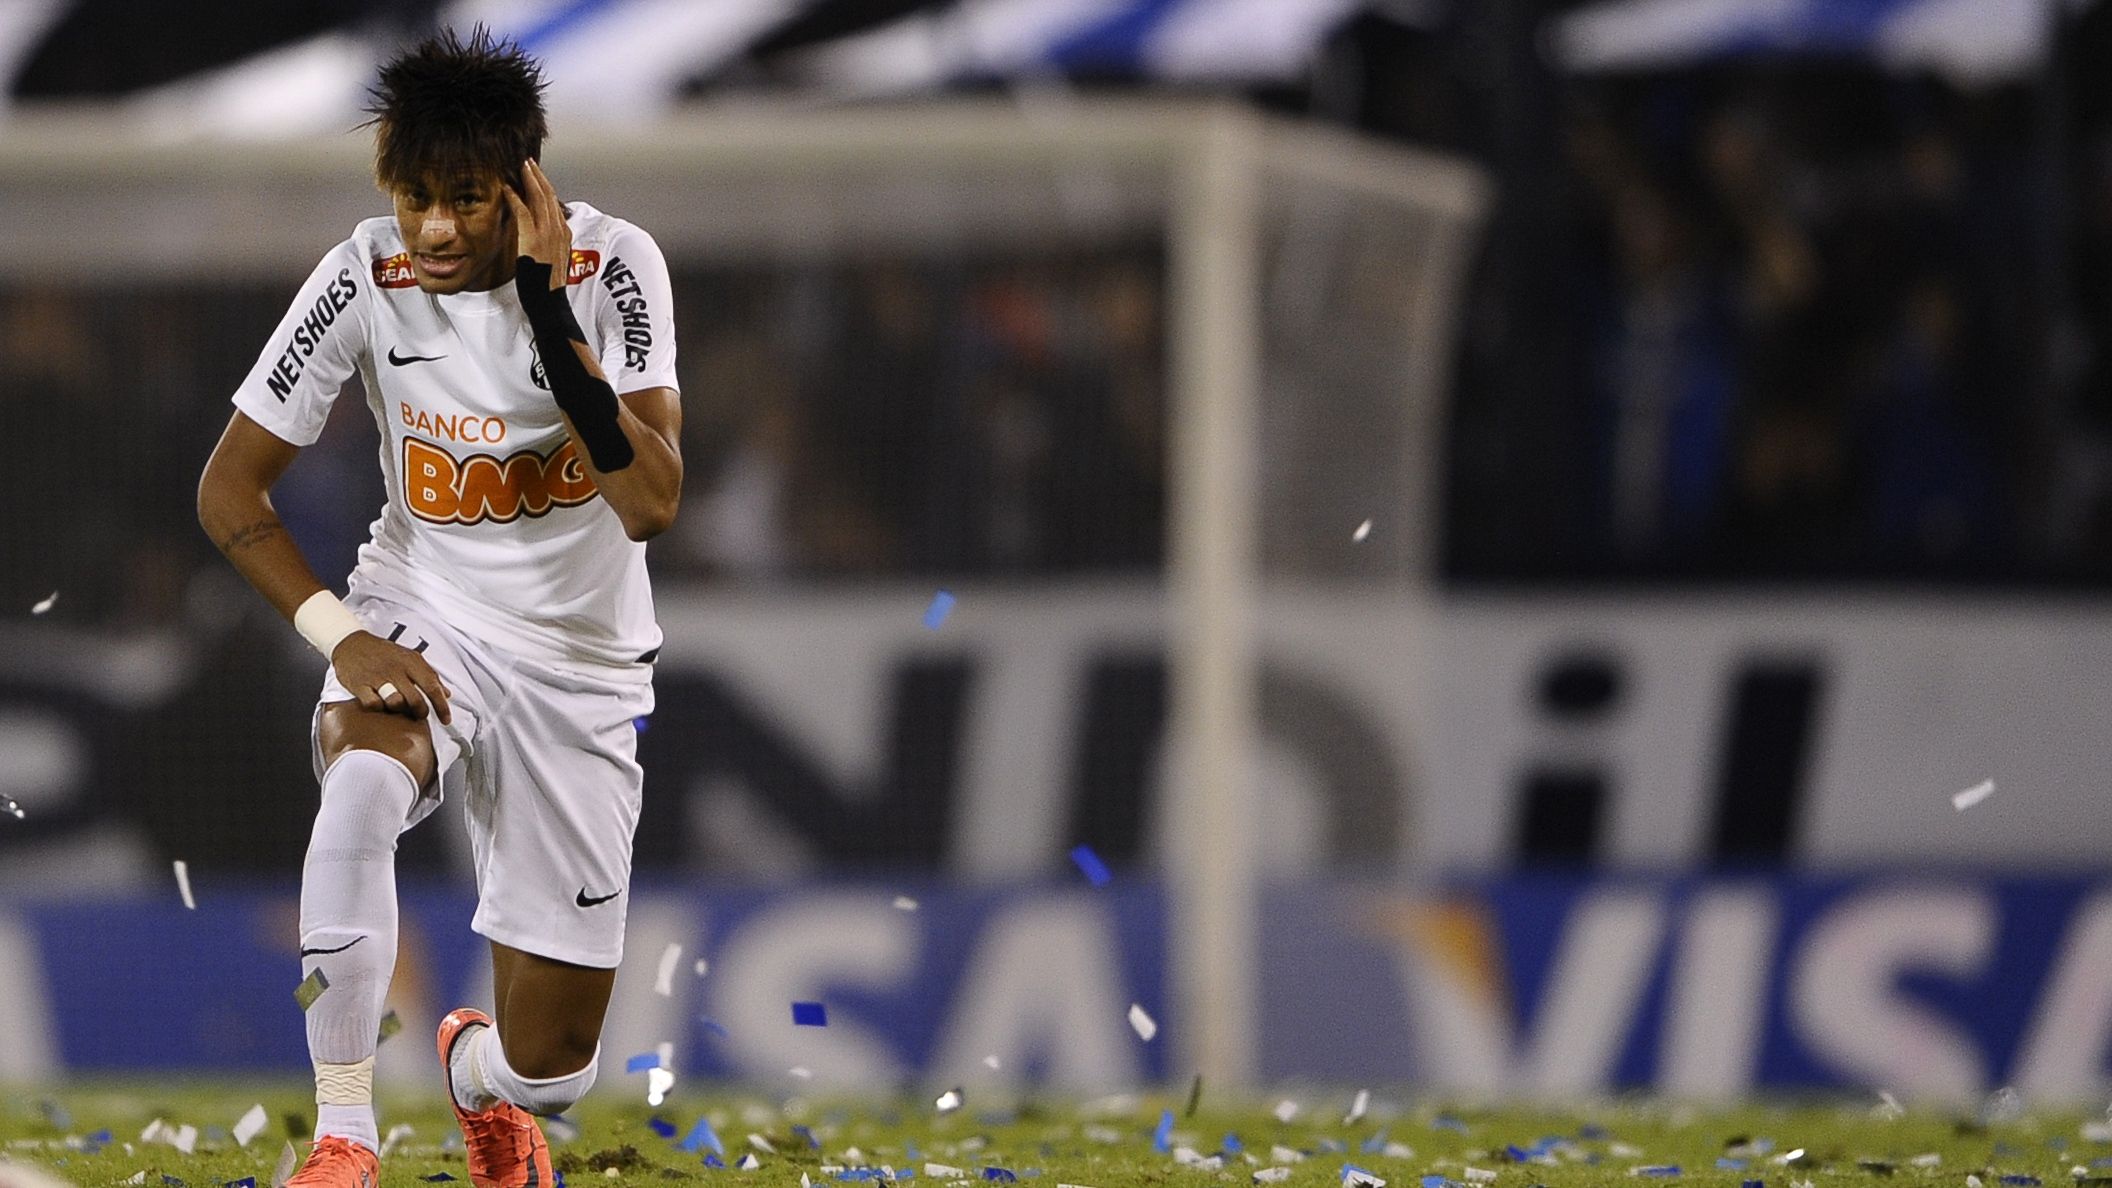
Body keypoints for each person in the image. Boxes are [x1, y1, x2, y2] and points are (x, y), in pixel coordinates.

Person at [195, 27, 682, 1188]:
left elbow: (651, 503)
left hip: (581, 663)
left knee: (552, 1070)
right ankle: (344, 1138)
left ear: (526, 187)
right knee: (361, 787)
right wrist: (344, 633)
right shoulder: (365, 273)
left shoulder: (614, 267)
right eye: (415, 198)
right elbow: (228, 489)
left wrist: (548, 314)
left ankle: (476, 1076)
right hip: (426, 607)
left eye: (466, 198)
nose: (435, 229)